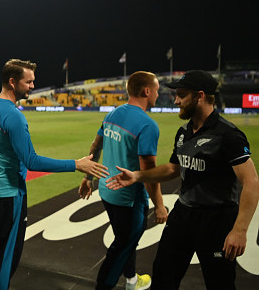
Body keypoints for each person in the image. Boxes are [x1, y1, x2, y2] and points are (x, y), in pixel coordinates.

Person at [106, 70, 259, 290]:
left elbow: (252, 182)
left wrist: (240, 230)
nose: (176, 100)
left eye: (181, 95)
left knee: (220, 284)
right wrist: (138, 176)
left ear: (200, 96)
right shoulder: (184, 132)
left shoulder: (228, 135)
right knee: (163, 276)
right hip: (182, 215)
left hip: (216, 221)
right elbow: (173, 169)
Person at [0, 59, 109, 290]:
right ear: (12, 81)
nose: (32, 86)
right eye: (28, 82)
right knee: (6, 260)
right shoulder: (14, 117)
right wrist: (76, 164)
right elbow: (31, 160)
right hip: (10, 197)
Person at [78, 71, 167, 290]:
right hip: (129, 198)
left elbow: (95, 145)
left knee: (125, 241)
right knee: (122, 246)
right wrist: (160, 206)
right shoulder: (148, 125)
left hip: (107, 191)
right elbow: (149, 173)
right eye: (156, 89)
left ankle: (132, 280)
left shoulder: (113, 114)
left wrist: (88, 177)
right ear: (147, 91)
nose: (158, 93)